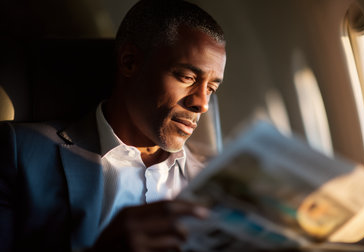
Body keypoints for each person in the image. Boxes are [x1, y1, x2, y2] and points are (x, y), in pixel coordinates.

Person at [0, 0, 226, 251]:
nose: (202, 104)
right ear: (129, 62)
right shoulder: (20, 153)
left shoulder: (218, 183)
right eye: (187, 77)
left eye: (212, 88)